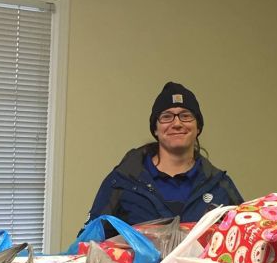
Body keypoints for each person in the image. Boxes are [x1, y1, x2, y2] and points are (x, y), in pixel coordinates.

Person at [87, 81, 243, 225]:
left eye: (186, 116)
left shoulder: (220, 186)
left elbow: (244, 237)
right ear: (155, 129)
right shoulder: (122, 182)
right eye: (167, 117)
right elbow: (89, 239)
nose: (177, 123)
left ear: (198, 127)